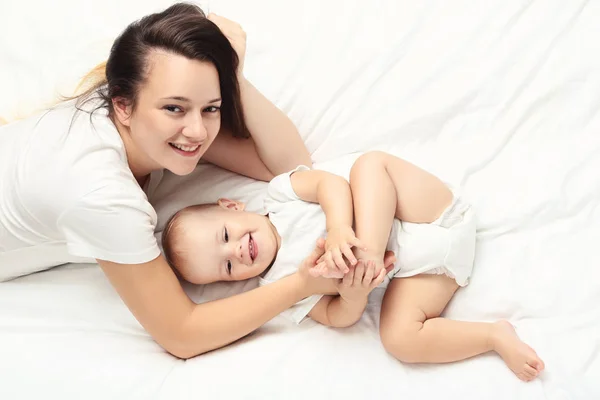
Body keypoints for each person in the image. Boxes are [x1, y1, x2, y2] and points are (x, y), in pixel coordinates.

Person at [0, 3, 336, 359]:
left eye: (211, 108)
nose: (197, 131)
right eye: (174, 108)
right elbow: (182, 334)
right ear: (123, 105)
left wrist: (234, 74)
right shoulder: (100, 193)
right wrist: (302, 283)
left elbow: (293, 169)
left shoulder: (148, 121)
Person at [162, 151, 546, 382]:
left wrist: (341, 229)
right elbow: (338, 317)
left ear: (231, 206)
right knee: (400, 340)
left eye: (225, 236)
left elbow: (331, 185)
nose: (236, 252)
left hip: (430, 215)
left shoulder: (280, 195)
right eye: (226, 267)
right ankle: (493, 336)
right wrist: (354, 293)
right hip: (426, 273)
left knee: (369, 166)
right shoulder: (281, 287)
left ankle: (369, 250)